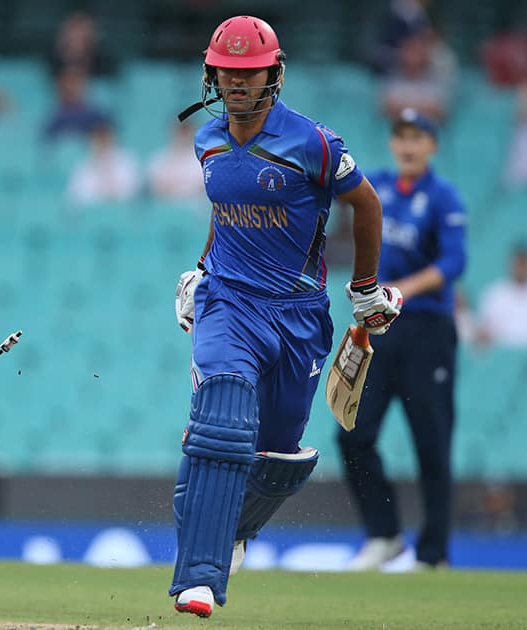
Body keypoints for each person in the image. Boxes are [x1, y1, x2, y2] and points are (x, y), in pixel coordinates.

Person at [170, 16, 402, 618]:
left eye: (250, 72)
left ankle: (234, 528)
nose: (238, 83)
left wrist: (366, 289)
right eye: (229, 71)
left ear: (273, 74)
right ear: (212, 73)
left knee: (279, 455)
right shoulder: (208, 140)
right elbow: (226, 214)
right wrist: (200, 270)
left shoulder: (314, 142)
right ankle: (198, 577)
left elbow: (366, 203)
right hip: (229, 302)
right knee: (221, 413)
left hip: (298, 313)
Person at [337, 108, 467, 572]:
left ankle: (433, 555)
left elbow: (454, 265)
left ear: (432, 145)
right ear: (393, 143)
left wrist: (399, 291)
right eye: (401, 137)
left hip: (428, 329)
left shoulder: (444, 197)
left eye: (417, 138)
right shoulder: (379, 189)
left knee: (431, 443)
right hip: (380, 327)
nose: (408, 145)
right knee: (351, 433)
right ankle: (384, 534)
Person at [66, 121, 140, 206]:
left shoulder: (128, 160)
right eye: (98, 139)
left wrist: (113, 192)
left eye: (105, 138)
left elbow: (136, 191)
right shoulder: (83, 166)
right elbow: (74, 197)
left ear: (113, 138)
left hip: (122, 212)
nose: (102, 142)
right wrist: (100, 192)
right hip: (94, 215)